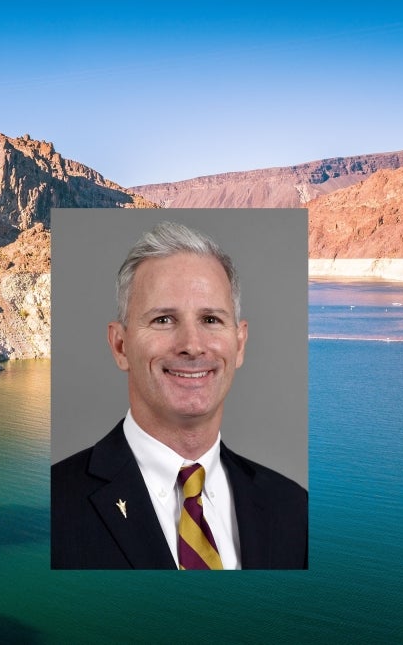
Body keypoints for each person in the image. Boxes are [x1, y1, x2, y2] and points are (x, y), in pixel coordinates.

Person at [51, 220, 307, 569]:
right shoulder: (53, 507)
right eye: (163, 320)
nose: (191, 345)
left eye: (211, 320)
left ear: (240, 342)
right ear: (120, 345)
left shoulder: (294, 509)